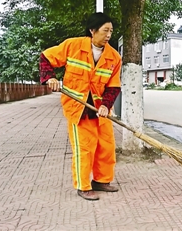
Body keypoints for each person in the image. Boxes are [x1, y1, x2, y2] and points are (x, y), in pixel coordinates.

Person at [39, 12, 122, 201]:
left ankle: (101, 181)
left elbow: (113, 86)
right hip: (78, 107)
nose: (109, 35)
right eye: (105, 30)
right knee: (84, 148)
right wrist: (50, 77)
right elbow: (46, 58)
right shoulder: (73, 46)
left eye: (111, 31)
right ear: (93, 31)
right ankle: (83, 186)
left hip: (100, 110)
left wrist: (106, 105)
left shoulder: (114, 57)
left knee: (106, 146)